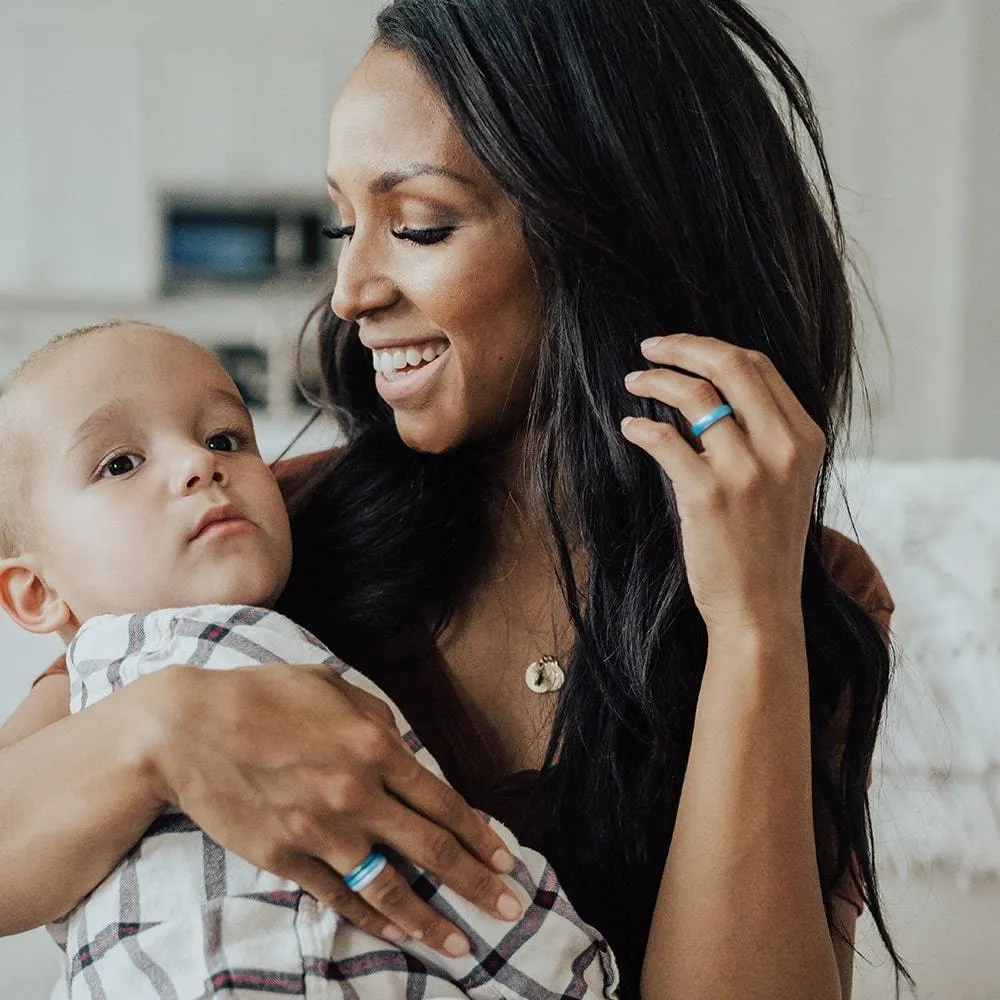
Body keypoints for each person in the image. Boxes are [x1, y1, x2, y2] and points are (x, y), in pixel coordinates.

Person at [0, 1, 911, 998]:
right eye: (345, 225)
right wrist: (160, 730)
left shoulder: (808, 592)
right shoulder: (268, 531)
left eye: (418, 226)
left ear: (613, 229)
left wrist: (751, 629)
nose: (349, 290)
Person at [0, 322, 620, 999]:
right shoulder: (239, 649)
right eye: (119, 464)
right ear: (35, 593)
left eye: (225, 439)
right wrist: (571, 971)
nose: (200, 464)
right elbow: (444, 876)